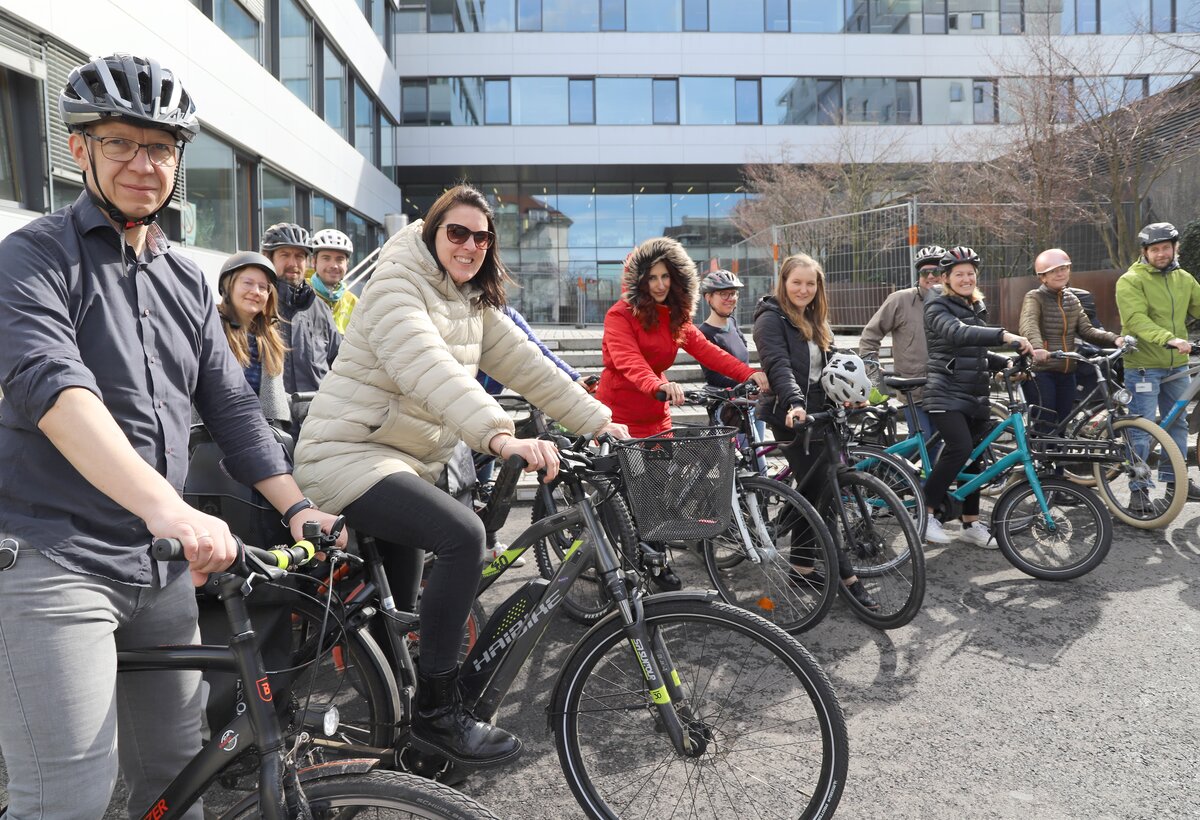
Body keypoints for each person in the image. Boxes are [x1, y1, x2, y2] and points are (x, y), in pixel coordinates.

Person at [0, 54, 344, 819]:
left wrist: (297, 509)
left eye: (160, 148)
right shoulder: (33, 256)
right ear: (80, 148)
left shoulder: (188, 278)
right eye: (120, 142)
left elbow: (228, 405)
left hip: (154, 567)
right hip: (54, 559)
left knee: (174, 781)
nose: (142, 163)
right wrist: (173, 509)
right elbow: (54, 389)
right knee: (70, 796)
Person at [293, 184, 626, 767]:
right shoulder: (397, 283)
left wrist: (603, 423)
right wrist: (498, 434)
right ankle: (439, 716)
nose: (470, 245)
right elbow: (429, 365)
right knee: (463, 535)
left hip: (402, 463)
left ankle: (404, 742)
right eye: (457, 232)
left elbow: (528, 364)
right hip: (345, 454)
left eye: (481, 236)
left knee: (397, 622)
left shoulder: (469, 299)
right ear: (432, 232)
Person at [595, 238, 769, 591]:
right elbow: (629, 362)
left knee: (657, 492)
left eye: (666, 277)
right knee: (626, 497)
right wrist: (657, 384)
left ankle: (656, 564)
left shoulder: (674, 317)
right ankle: (612, 564)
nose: (660, 284)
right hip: (620, 414)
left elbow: (708, 350)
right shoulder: (619, 315)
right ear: (637, 281)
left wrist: (748, 373)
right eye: (652, 277)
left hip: (656, 414)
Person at [751, 253, 880, 611]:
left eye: (811, 283)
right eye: (797, 283)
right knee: (822, 493)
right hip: (789, 415)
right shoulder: (770, 319)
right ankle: (847, 578)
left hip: (821, 412)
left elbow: (833, 364)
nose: (804, 290)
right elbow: (778, 366)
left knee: (817, 494)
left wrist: (856, 396)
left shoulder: (815, 318)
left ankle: (803, 567)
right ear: (784, 283)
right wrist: (794, 403)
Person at [921, 246, 1035, 547]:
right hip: (945, 390)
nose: (966, 278)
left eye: (971, 273)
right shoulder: (936, 304)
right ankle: (926, 514)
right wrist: (1005, 336)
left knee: (976, 457)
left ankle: (970, 523)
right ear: (946, 278)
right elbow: (957, 334)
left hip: (974, 393)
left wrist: (1005, 363)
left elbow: (976, 350)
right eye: (959, 274)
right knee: (959, 448)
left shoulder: (974, 306)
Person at [476, 303, 589, 566]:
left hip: (490, 408)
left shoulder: (507, 314)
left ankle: (491, 544)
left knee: (485, 482)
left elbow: (536, 351)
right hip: (458, 407)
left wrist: (573, 378)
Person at [1115, 221, 1200, 508]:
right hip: (1143, 365)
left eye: (1166, 248)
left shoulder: (1184, 279)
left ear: (1175, 248)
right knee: (1142, 428)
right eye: (1155, 249)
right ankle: (1138, 490)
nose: (1161, 254)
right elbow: (1137, 320)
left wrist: (1176, 344)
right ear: (1145, 252)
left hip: (1176, 365)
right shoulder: (1131, 280)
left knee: (1177, 424)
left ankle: (1177, 482)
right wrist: (1169, 339)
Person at [1018, 248, 1122, 437]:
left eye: (1064, 269)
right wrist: (1038, 348)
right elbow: (1029, 325)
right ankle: (1038, 465)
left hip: (1067, 372)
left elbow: (1087, 330)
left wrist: (1115, 338)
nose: (1060, 274)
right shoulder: (1035, 297)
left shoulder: (1072, 299)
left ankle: (1056, 467)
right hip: (1042, 371)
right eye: (1054, 271)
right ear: (1043, 277)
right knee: (1045, 425)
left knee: (1062, 425)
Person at [859, 244, 946, 449]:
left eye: (937, 271)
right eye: (925, 272)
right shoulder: (900, 300)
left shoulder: (953, 302)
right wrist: (872, 371)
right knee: (924, 441)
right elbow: (870, 335)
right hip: (913, 388)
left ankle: (903, 475)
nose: (931, 276)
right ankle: (888, 471)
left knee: (938, 443)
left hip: (944, 388)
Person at [261, 222, 341, 394]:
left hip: (315, 415)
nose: (293, 263)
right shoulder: (257, 304)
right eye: (285, 255)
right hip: (269, 416)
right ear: (268, 258)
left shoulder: (320, 308)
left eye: (299, 256)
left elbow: (340, 364)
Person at [217, 251, 290, 427]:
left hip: (264, 435)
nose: (255, 292)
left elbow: (272, 394)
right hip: (213, 438)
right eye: (247, 283)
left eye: (263, 287)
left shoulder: (270, 337)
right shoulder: (208, 328)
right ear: (228, 286)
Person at [310, 227, 359, 333]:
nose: (334, 265)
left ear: (347, 265)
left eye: (340, 259)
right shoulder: (301, 293)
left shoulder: (354, 302)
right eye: (326, 258)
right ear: (314, 262)